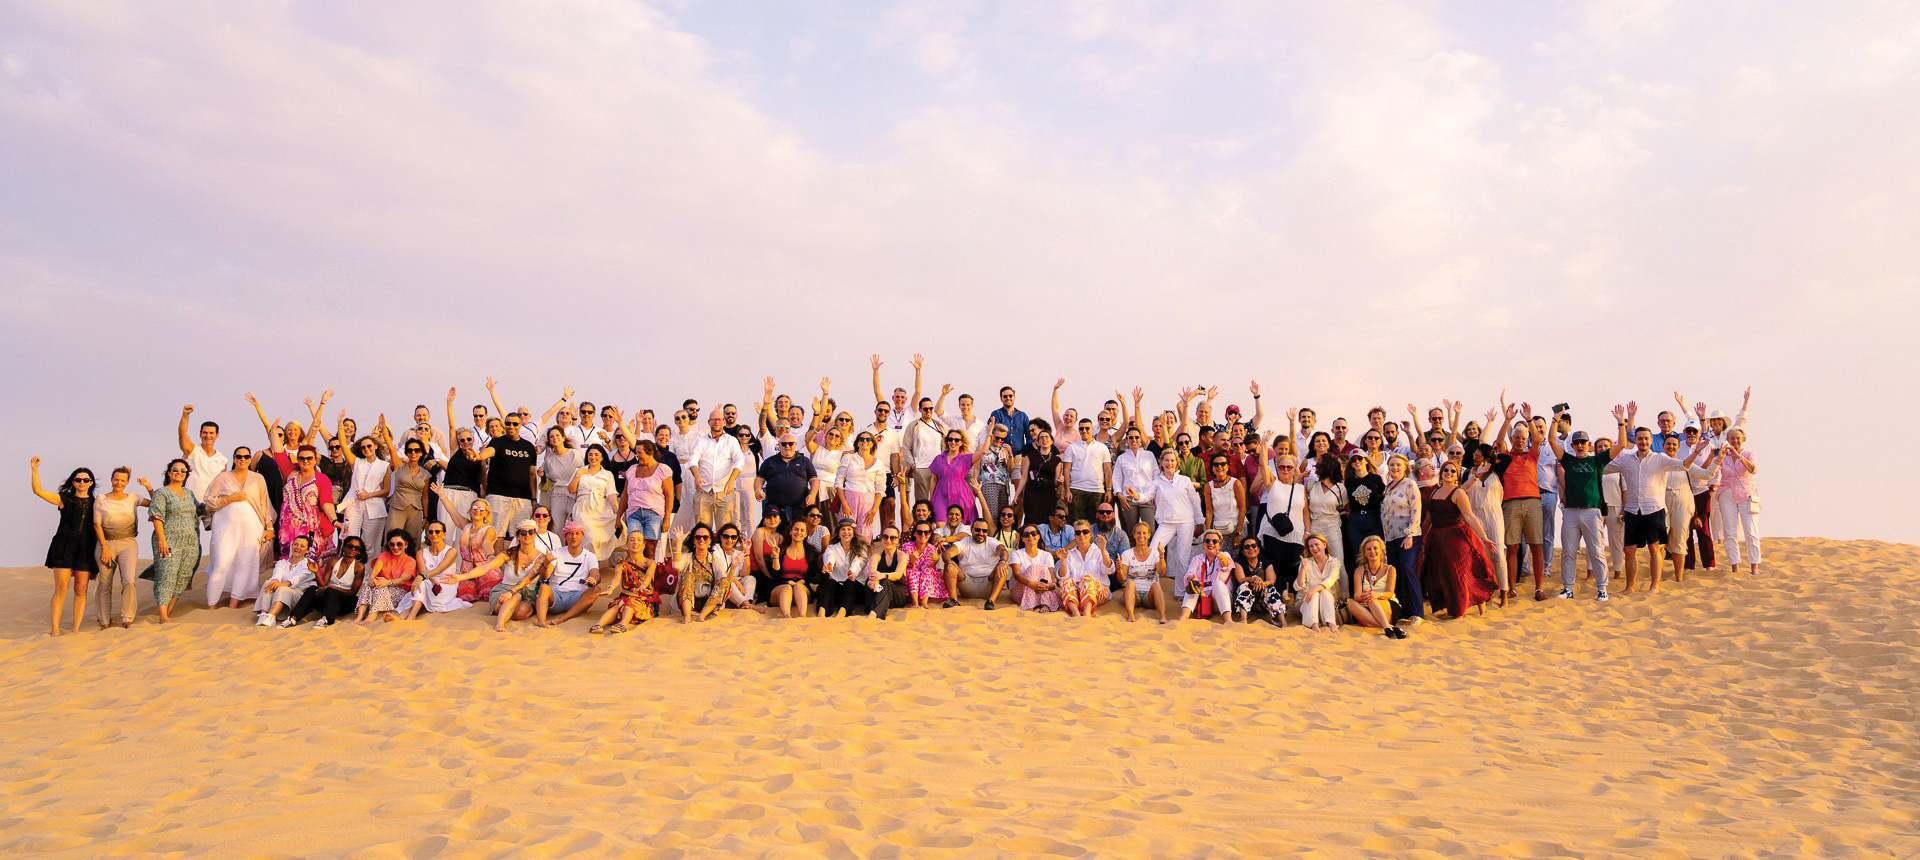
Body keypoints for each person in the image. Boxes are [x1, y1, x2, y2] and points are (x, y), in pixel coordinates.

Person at [1603, 404, 1712, 594]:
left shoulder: (1660, 459)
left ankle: (1655, 586)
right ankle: (1630, 587)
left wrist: (1696, 452)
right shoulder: (1626, 460)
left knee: (1654, 548)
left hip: (1654, 508)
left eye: (1646, 439)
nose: (1643, 441)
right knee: (1629, 549)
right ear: (1636, 440)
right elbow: (1603, 468)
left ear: (1651, 440)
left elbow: (1684, 465)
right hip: (1632, 509)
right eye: (1640, 438)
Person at [1419, 461, 1501, 619]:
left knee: (1460, 574)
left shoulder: (1459, 493)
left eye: (1452, 471)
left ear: (1457, 475)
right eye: (1446, 470)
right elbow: (1428, 520)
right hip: (1438, 540)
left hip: (1457, 538)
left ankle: (1461, 611)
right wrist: (1421, 539)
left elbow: (1469, 516)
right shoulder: (1434, 492)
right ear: (1441, 472)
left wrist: (1484, 537)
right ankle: (1460, 607)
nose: (1448, 473)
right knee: (1445, 575)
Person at [30, 458, 99, 636]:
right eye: (78, 480)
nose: (82, 482)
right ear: (73, 482)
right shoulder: (64, 499)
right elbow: (38, 491)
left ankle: (76, 629)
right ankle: (55, 628)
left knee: (81, 589)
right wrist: (35, 470)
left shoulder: (98, 502)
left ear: (91, 483)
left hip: (86, 548)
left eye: (85, 480)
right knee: (61, 587)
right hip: (64, 545)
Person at [202, 446, 275, 610]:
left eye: (246, 457)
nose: (243, 459)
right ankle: (211, 606)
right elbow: (208, 499)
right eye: (239, 456)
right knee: (221, 563)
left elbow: (264, 503)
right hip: (225, 527)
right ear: (234, 458)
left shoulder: (258, 478)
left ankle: (233, 604)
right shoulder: (223, 477)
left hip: (252, 527)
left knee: (245, 563)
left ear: (250, 459)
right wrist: (229, 499)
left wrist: (269, 527)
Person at [1551, 430, 1611, 600]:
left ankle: (1602, 590)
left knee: (1597, 551)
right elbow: (1552, 440)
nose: (1580, 445)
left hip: (1592, 511)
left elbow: (1620, 445)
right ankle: (1568, 589)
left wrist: (1622, 422)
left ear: (1588, 444)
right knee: (1568, 552)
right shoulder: (1568, 460)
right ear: (1572, 445)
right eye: (1576, 442)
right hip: (1571, 511)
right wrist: (1555, 419)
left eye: (1583, 442)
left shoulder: (1597, 460)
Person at [141, 459, 200, 624]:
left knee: (183, 576)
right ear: (169, 473)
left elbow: (200, 509)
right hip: (168, 540)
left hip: (190, 541)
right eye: (175, 469)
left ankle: (169, 612)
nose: (179, 473)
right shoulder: (162, 493)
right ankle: (163, 616)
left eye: (183, 470)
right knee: (166, 575)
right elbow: (156, 517)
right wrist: (162, 541)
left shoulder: (189, 494)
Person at [91, 466, 148, 629]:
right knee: (104, 583)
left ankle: (127, 617)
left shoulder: (133, 498)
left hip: (128, 542)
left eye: (123, 480)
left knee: (128, 580)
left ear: (127, 482)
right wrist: (105, 548)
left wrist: (148, 486)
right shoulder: (101, 499)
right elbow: (97, 524)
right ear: (111, 480)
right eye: (116, 479)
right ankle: (104, 620)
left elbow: (155, 503)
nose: (119, 483)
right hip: (106, 543)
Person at [476, 414, 538, 549]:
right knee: (496, 535)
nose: (511, 426)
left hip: (523, 498)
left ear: (520, 425)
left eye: (515, 424)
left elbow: (532, 475)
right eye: (508, 423)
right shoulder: (497, 442)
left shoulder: (529, 447)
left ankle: (514, 563)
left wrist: (534, 498)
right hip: (499, 495)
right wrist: (479, 456)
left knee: (521, 537)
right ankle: (496, 563)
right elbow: (489, 451)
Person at [1149, 449, 1203, 599]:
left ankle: (1180, 592)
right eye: (1166, 460)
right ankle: (1150, 588)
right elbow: (1146, 495)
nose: (1169, 463)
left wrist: (1199, 521)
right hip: (1166, 522)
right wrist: (1136, 495)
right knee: (1153, 552)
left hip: (1186, 521)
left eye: (1172, 460)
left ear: (1177, 463)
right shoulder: (1156, 481)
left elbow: (1194, 501)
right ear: (1161, 462)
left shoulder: (1185, 480)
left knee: (1182, 558)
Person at [1377, 454, 1425, 623]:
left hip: (1408, 536)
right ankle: (1404, 611)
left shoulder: (1409, 484)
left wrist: (1410, 534)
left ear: (1405, 467)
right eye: (1392, 465)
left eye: (1398, 465)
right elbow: (1384, 514)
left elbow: (1416, 509)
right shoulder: (1388, 487)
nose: (1395, 468)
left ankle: (1417, 612)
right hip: (1391, 538)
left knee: (1407, 568)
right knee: (1395, 572)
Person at [488, 521, 557, 631]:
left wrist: (546, 564)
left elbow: (542, 577)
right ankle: (500, 624)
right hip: (505, 589)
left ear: (535, 534)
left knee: (523, 613)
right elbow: (486, 568)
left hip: (528, 593)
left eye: (531, 532)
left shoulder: (541, 556)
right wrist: (462, 577)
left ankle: (505, 610)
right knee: (516, 596)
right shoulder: (509, 553)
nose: (527, 535)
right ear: (518, 536)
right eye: (523, 532)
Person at [1709, 429, 1761, 575]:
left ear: (1743, 439)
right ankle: (1735, 566)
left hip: (1746, 494)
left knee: (1750, 530)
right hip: (1726, 494)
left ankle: (1754, 567)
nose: (1735, 441)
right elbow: (1712, 471)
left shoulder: (1749, 454)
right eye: (1732, 438)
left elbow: (1753, 469)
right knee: (1729, 531)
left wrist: (1739, 457)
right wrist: (1718, 456)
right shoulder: (1724, 455)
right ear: (1728, 439)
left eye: (1738, 438)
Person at [689, 411, 747, 533]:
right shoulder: (701, 440)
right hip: (703, 491)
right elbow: (692, 460)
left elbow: (739, 461)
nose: (717, 422)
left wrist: (731, 480)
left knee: (725, 530)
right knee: (702, 531)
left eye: (719, 419)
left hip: (724, 491)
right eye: (714, 419)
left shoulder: (731, 440)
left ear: (724, 422)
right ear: (709, 422)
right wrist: (697, 476)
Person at [289, 535, 365, 627]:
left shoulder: (359, 567)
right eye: (350, 546)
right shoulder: (333, 561)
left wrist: (333, 587)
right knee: (313, 589)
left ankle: (326, 619)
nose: (353, 549)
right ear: (344, 547)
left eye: (357, 548)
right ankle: (293, 618)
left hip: (346, 603)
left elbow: (353, 592)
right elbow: (323, 585)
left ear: (359, 551)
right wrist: (316, 572)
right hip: (328, 600)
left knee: (331, 591)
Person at [591, 531, 660, 633]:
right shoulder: (622, 565)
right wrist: (610, 589)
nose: (635, 542)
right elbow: (616, 579)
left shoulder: (650, 563)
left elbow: (649, 575)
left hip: (643, 599)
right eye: (631, 540)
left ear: (644, 545)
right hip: (625, 597)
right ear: (627, 544)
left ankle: (623, 624)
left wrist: (643, 585)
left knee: (629, 603)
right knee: (616, 606)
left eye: (639, 540)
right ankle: (598, 625)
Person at [277, 446, 338, 561]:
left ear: (315, 461)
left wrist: (334, 521)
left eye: (309, 458)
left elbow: (326, 502)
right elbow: (278, 452)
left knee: (308, 562)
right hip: (288, 529)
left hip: (310, 529)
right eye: (302, 458)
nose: (305, 461)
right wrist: (271, 432)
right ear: (298, 460)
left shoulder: (321, 479)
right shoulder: (290, 474)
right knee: (290, 561)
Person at [537, 521, 603, 626]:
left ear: (582, 536)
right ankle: (541, 622)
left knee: (596, 590)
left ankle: (563, 619)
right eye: (570, 533)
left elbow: (596, 574)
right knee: (544, 587)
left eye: (577, 533)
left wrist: (593, 579)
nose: (574, 537)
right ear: (566, 536)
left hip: (577, 598)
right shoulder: (556, 552)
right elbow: (545, 576)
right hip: (556, 595)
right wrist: (546, 564)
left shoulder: (589, 556)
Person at [619, 440, 675, 558]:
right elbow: (625, 495)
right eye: (636, 453)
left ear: (650, 453)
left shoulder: (663, 469)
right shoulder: (632, 469)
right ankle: (634, 570)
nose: (637, 455)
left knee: (650, 549)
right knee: (633, 547)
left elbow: (669, 495)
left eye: (640, 453)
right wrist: (618, 518)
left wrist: (667, 518)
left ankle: (649, 570)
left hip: (654, 513)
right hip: (633, 513)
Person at [253, 534, 320, 627]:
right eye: (296, 544)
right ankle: (263, 614)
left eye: (302, 546)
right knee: (269, 583)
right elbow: (277, 573)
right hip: (280, 592)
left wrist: (283, 584)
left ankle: (271, 616)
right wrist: (275, 580)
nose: (298, 547)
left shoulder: (309, 564)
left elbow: (297, 579)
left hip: (297, 596)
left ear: (307, 550)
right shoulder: (282, 562)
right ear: (292, 546)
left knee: (283, 589)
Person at [567, 444, 621, 560]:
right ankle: (587, 562)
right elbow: (571, 490)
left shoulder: (607, 474)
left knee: (600, 538)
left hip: (601, 508)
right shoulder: (580, 470)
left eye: (596, 454)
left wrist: (617, 511)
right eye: (590, 454)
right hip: (583, 508)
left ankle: (596, 563)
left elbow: (611, 494)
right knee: (588, 537)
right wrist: (578, 475)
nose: (593, 457)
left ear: (602, 457)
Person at [754, 432, 820, 526]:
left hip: (799, 507)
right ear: (779, 445)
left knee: (798, 532)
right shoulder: (769, 461)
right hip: (775, 507)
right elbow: (759, 479)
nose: (787, 446)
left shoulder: (805, 461)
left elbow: (814, 480)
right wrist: (757, 490)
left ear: (795, 445)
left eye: (790, 443)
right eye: (784, 444)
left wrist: (812, 495)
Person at [356, 528, 420, 623]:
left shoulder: (410, 561)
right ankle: (359, 617)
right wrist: (373, 580)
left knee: (380, 587)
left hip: (400, 592)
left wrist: (386, 582)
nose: (395, 547)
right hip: (381, 589)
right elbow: (373, 574)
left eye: (399, 544)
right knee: (368, 585)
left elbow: (402, 579)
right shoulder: (384, 555)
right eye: (392, 544)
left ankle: (371, 616)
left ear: (406, 544)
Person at [1348, 536, 1406, 638]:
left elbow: (1389, 593)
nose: (1372, 551)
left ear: (1381, 550)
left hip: (1388, 605)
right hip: (1367, 608)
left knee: (1371, 598)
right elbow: (1356, 596)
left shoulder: (1390, 569)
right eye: (1368, 549)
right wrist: (1364, 596)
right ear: (1364, 553)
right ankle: (1389, 627)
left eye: (1375, 548)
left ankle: (1387, 626)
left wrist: (1377, 594)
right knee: (1352, 605)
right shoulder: (1359, 571)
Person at [945, 518, 1009, 608]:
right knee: (949, 565)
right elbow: (947, 553)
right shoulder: (964, 542)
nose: (981, 533)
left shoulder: (991, 542)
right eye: (978, 530)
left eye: (984, 531)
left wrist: (1002, 561)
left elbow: (1003, 551)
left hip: (988, 585)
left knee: (1002, 566)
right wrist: (949, 563)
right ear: (971, 529)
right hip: (967, 584)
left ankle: (991, 602)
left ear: (987, 532)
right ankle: (954, 600)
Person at [1304, 454, 1348, 582]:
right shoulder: (1311, 485)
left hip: (1332, 528)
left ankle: (1343, 593)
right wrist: (1307, 531)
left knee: (1338, 563)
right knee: (1314, 565)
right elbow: (1305, 510)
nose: (1317, 468)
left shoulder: (1340, 488)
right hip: (1315, 528)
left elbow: (1347, 510)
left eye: (1320, 465)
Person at [836, 432, 887, 540]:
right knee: (846, 531)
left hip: (868, 501)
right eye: (861, 439)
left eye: (868, 439)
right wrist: (844, 504)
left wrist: (874, 510)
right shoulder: (848, 458)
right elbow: (838, 482)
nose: (865, 441)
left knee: (864, 534)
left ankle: (863, 552)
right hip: (849, 498)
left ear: (872, 443)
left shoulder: (878, 463)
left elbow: (880, 488)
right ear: (857, 443)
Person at [411, 521, 470, 615]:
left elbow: (440, 569)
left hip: (446, 584)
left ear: (444, 534)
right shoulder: (421, 552)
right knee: (421, 586)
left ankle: (411, 615)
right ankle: (402, 617)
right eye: (431, 532)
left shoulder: (451, 551)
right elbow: (423, 572)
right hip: (428, 582)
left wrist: (422, 577)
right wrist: (431, 580)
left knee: (421, 586)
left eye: (437, 531)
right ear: (427, 535)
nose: (434, 534)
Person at [1115, 521, 1169, 622]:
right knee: (1130, 583)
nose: (1141, 536)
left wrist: (1162, 556)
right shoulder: (1127, 554)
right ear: (1134, 535)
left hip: (1149, 596)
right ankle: (1131, 616)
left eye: (1144, 533)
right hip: (1133, 594)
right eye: (1138, 533)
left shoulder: (1155, 554)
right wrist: (1119, 570)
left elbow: (1162, 573)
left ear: (1149, 535)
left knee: (1156, 584)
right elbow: (1122, 579)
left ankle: (1163, 616)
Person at [1109, 425, 1158, 535]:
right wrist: (1120, 495)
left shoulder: (1149, 455)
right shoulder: (1122, 458)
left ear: (1140, 439)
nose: (1134, 440)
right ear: (1127, 439)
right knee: (1131, 532)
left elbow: (1156, 476)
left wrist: (1155, 493)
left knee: (1150, 532)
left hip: (1147, 498)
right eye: (1131, 437)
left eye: (1136, 437)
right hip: (1128, 500)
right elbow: (1116, 478)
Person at [1179, 529, 1236, 622]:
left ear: (1220, 545)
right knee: (1193, 584)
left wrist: (1220, 556)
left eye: (1215, 541)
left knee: (1219, 584)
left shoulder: (1225, 555)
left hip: (1219, 602)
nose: (1211, 543)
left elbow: (1226, 563)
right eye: (1207, 541)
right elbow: (1190, 573)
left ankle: (1228, 621)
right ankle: (1183, 618)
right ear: (1203, 544)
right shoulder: (1197, 559)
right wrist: (1192, 578)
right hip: (1202, 601)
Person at [768, 517, 820, 618]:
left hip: (802, 587)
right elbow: (774, 575)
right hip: (781, 586)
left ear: (806, 534)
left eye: (802, 530)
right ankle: (787, 616)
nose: (798, 532)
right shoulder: (781, 550)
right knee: (787, 588)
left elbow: (814, 575)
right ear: (790, 531)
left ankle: (802, 616)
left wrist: (803, 581)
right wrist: (776, 557)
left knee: (798, 587)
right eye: (796, 529)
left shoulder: (811, 552)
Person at [1061, 419, 1111, 522]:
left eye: (1087, 428)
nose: (1084, 431)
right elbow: (1066, 469)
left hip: (1097, 490)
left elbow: (1107, 470)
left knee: (1095, 524)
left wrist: (1109, 490)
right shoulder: (1071, 447)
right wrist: (1067, 490)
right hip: (1076, 489)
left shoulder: (1102, 447)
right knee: (1075, 524)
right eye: (1081, 428)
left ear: (1092, 429)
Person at [1006, 524, 1064, 613]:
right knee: (1033, 568)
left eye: (1033, 533)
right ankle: (1032, 604)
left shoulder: (1047, 555)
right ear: (1022, 539)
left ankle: (1044, 603)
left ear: (1038, 536)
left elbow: (1052, 577)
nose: (1030, 536)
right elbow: (1017, 575)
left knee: (1044, 569)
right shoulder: (1016, 554)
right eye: (1026, 534)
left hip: (1042, 590)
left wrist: (1049, 586)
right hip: (1021, 591)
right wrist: (1032, 584)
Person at [927, 428, 978, 526]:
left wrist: (989, 433)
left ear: (961, 443)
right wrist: (931, 499)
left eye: (956, 440)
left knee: (959, 526)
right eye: (950, 439)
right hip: (940, 495)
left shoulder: (965, 458)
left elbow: (983, 452)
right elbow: (933, 479)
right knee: (940, 525)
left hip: (960, 494)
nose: (953, 442)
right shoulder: (938, 458)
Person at [1230, 536, 1285, 626]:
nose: (1251, 548)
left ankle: (1283, 623)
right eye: (1247, 547)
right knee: (1244, 586)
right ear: (1243, 552)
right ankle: (1243, 620)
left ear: (1258, 549)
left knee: (1270, 588)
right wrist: (1254, 579)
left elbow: (1271, 580)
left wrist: (1261, 583)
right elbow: (1241, 579)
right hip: (1245, 602)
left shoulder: (1266, 562)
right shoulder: (1239, 562)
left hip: (1263, 602)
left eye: (1253, 546)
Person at [819, 518, 869, 617]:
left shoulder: (862, 548)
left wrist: (852, 571)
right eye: (843, 529)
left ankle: (841, 614)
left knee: (850, 583)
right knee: (829, 583)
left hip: (855, 590)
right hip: (838, 590)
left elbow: (859, 562)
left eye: (849, 529)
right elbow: (829, 557)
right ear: (838, 533)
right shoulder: (832, 548)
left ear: (853, 533)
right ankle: (821, 613)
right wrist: (829, 565)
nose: (846, 532)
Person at [1013, 428, 1061, 528]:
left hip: (1048, 493)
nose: (1044, 439)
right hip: (1032, 491)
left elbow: (1055, 482)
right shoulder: (1029, 455)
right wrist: (1016, 495)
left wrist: (1060, 481)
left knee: (1047, 522)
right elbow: (1024, 476)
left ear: (1051, 441)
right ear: (1038, 442)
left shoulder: (1057, 460)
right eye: (1041, 438)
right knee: (1031, 520)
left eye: (1046, 437)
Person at [970, 420, 1015, 525]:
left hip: (1003, 485)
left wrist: (1010, 455)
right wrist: (975, 486)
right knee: (991, 515)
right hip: (988, 483)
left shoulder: (1004, 450)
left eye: (1002, 438)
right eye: (997, 437)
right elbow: (976, 468)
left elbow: (1010, 470)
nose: (1000, 440)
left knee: (1002, 517)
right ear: (992, 435)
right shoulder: (982, 447)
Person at [1294, 533, 1341, 632]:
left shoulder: (1335, 562)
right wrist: (1302, 568)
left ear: (1324, 544)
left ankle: (1331, 624)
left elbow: (1330, 581)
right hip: (1305, 603)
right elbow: (1298, 586)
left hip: (1327, 604)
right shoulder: (1306, 562)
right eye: (1311, 546)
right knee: (1314, 595)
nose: (1314, 548)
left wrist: (1313, 590)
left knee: (1324, 592)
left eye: (1316, 544)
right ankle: (1314, 624)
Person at [1202, 453, 1247, 556]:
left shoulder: (1236, 483)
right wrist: (1208, 533)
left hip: (1237, 527)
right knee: (1219, 559)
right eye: (1216, 464)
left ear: (1227, 466)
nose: (1219, 467)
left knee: (1237, 559)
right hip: (1219, 530)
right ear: (1212, 467)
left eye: (1223, 464)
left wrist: (1239, 533)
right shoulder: (1208, 486)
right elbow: (1209, 511)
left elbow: (1243, 509)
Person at [866, 527, 913, 619]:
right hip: (878, 590)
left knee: (885, 581)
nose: (888, 540)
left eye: (892, 538)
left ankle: (874, 614)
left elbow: (897, 575)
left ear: (898, 540)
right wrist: (873, 579)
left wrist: (881, 575)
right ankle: (874, 609)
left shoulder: (902, 556)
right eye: (885, 537)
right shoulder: (876, 555)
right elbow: (872, 571)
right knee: (870, 581)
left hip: (897, 595)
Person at [900, 522, 948, 608]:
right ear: (914, 533)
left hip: (925, 579)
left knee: (927, 571)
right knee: (913, 571)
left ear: (929, 534)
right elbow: (905, 566)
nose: (923, 535)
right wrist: (912, 561)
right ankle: (915, 602)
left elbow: (927, 567)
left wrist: (935, 561)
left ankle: (924, 602)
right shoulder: (906, 546)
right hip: (910, 580)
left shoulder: (932, 548)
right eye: (919, 532)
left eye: (926, 532)